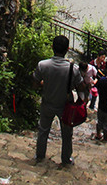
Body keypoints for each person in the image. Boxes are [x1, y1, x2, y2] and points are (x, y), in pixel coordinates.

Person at [32, 34, 83, 167]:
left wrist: (45, 83)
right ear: (67, 49)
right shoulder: (73, 69)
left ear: (52, 47)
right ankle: (66, 159)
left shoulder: (42, 65)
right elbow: (81, 86)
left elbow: (35, 83)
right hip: (66, 106)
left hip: (47, 102)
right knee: (66, 134)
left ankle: (39, 155)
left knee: (43, 130)